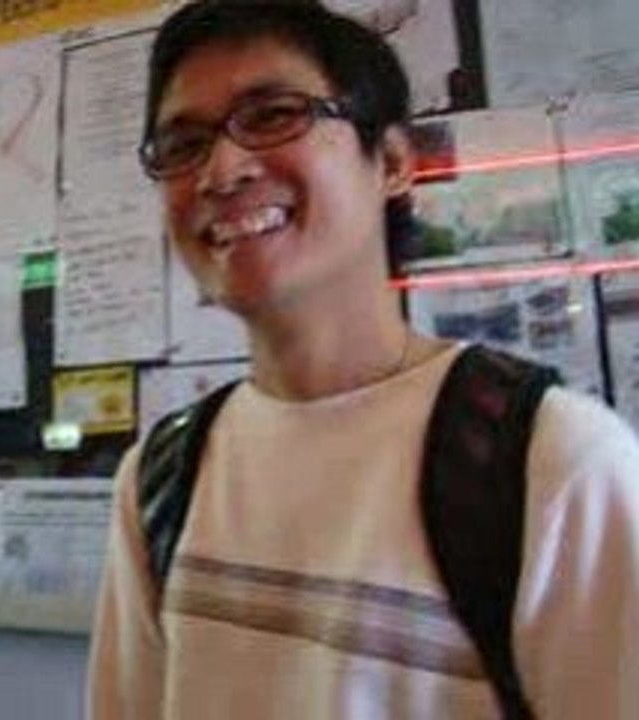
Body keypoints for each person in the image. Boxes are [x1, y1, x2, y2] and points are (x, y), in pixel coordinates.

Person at [87, 1, 639, 718]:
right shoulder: (161, 477)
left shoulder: (553, 464)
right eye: (183, 144)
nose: (221, 171)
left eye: (274, 115)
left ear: (395, 163)